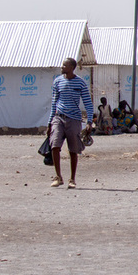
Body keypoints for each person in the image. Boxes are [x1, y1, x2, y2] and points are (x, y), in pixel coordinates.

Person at [46, 57, 94, 189]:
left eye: (64, 65)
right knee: (54, 145)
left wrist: (89, 121)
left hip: (74, 119)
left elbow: (88, 104)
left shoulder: (80, 83)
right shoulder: (57, 82)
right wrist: (50, 122)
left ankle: (72, 179)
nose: (62, 67)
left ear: (72, 68)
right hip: (58, 118)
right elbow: (54, 103)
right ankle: (58, 177)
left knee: (73, 150)